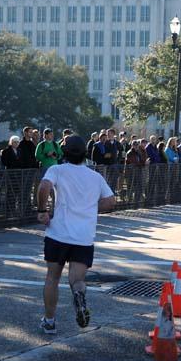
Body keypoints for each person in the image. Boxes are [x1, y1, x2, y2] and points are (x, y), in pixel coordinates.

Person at [36, 135, 116, 334]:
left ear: (64, 152)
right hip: (84, 236)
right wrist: (90, 209)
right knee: (77, 280)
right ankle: (79, 296)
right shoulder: (95, 177)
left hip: (58, 234)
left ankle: (49, 321)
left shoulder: (57, 170)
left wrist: (42, 210)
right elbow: (111, 201)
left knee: (52, 278)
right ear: (85, 154)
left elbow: (44, 186)